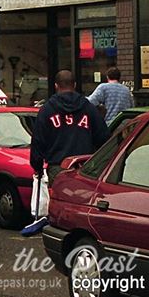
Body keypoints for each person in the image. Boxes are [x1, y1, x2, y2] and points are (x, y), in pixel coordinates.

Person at [23, 70, 109, 235]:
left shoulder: (47, 110)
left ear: (56, 86)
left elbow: (38, 141)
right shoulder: (88, 108)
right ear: (74, 85)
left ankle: (62, 234)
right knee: (83, 203)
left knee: (62, 204)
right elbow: (103, 137)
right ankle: (81, 235)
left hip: (58, 167)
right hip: (84, 165)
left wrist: (37, 165)